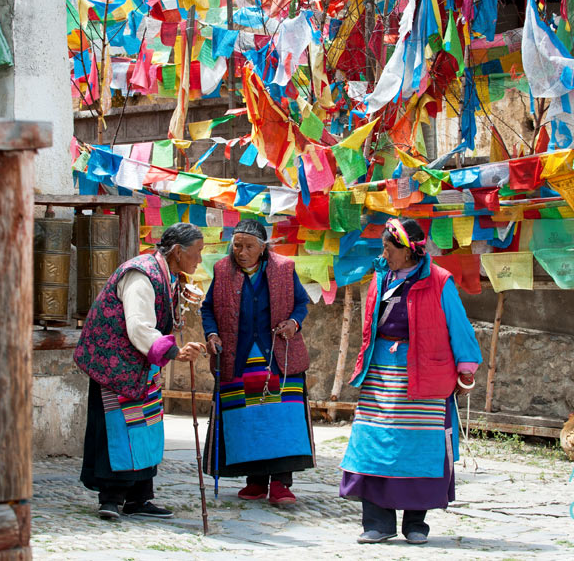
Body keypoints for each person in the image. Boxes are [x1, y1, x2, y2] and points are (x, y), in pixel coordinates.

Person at [339, 217, 482, 545]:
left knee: (419, 447)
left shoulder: (439, 281)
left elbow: (459, 326)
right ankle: (378, 523)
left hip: (424, 374)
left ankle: (415, 523)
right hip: (380, 374)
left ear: (408, 251)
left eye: (389, 249)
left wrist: (466, 367)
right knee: (372, 445)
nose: (384, 254)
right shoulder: (380, 277)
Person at [74, 222, 206, 521]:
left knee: (145, 425)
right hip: (114, 363)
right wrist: (173, 351)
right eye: (196, 253)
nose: (199, 260)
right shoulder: (141, 274)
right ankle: (110, 498)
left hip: (139, 363)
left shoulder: (168, 274)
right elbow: (138, 326)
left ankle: (140, 497)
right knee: (118, 428)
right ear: (176, 251)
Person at [201, 219, 314, 505]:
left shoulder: (284, 269)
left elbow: (301, 304)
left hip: (276, 356)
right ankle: (255, 481)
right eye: (237, 245)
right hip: (239, 357)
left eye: (249, 246)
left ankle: (280, 484)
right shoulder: (222, 270)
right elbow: (208, 309)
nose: (241, 251)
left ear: (263, 248)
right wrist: (212, 334)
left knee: (279, 419)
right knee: (247, 419)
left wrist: (293, 322)